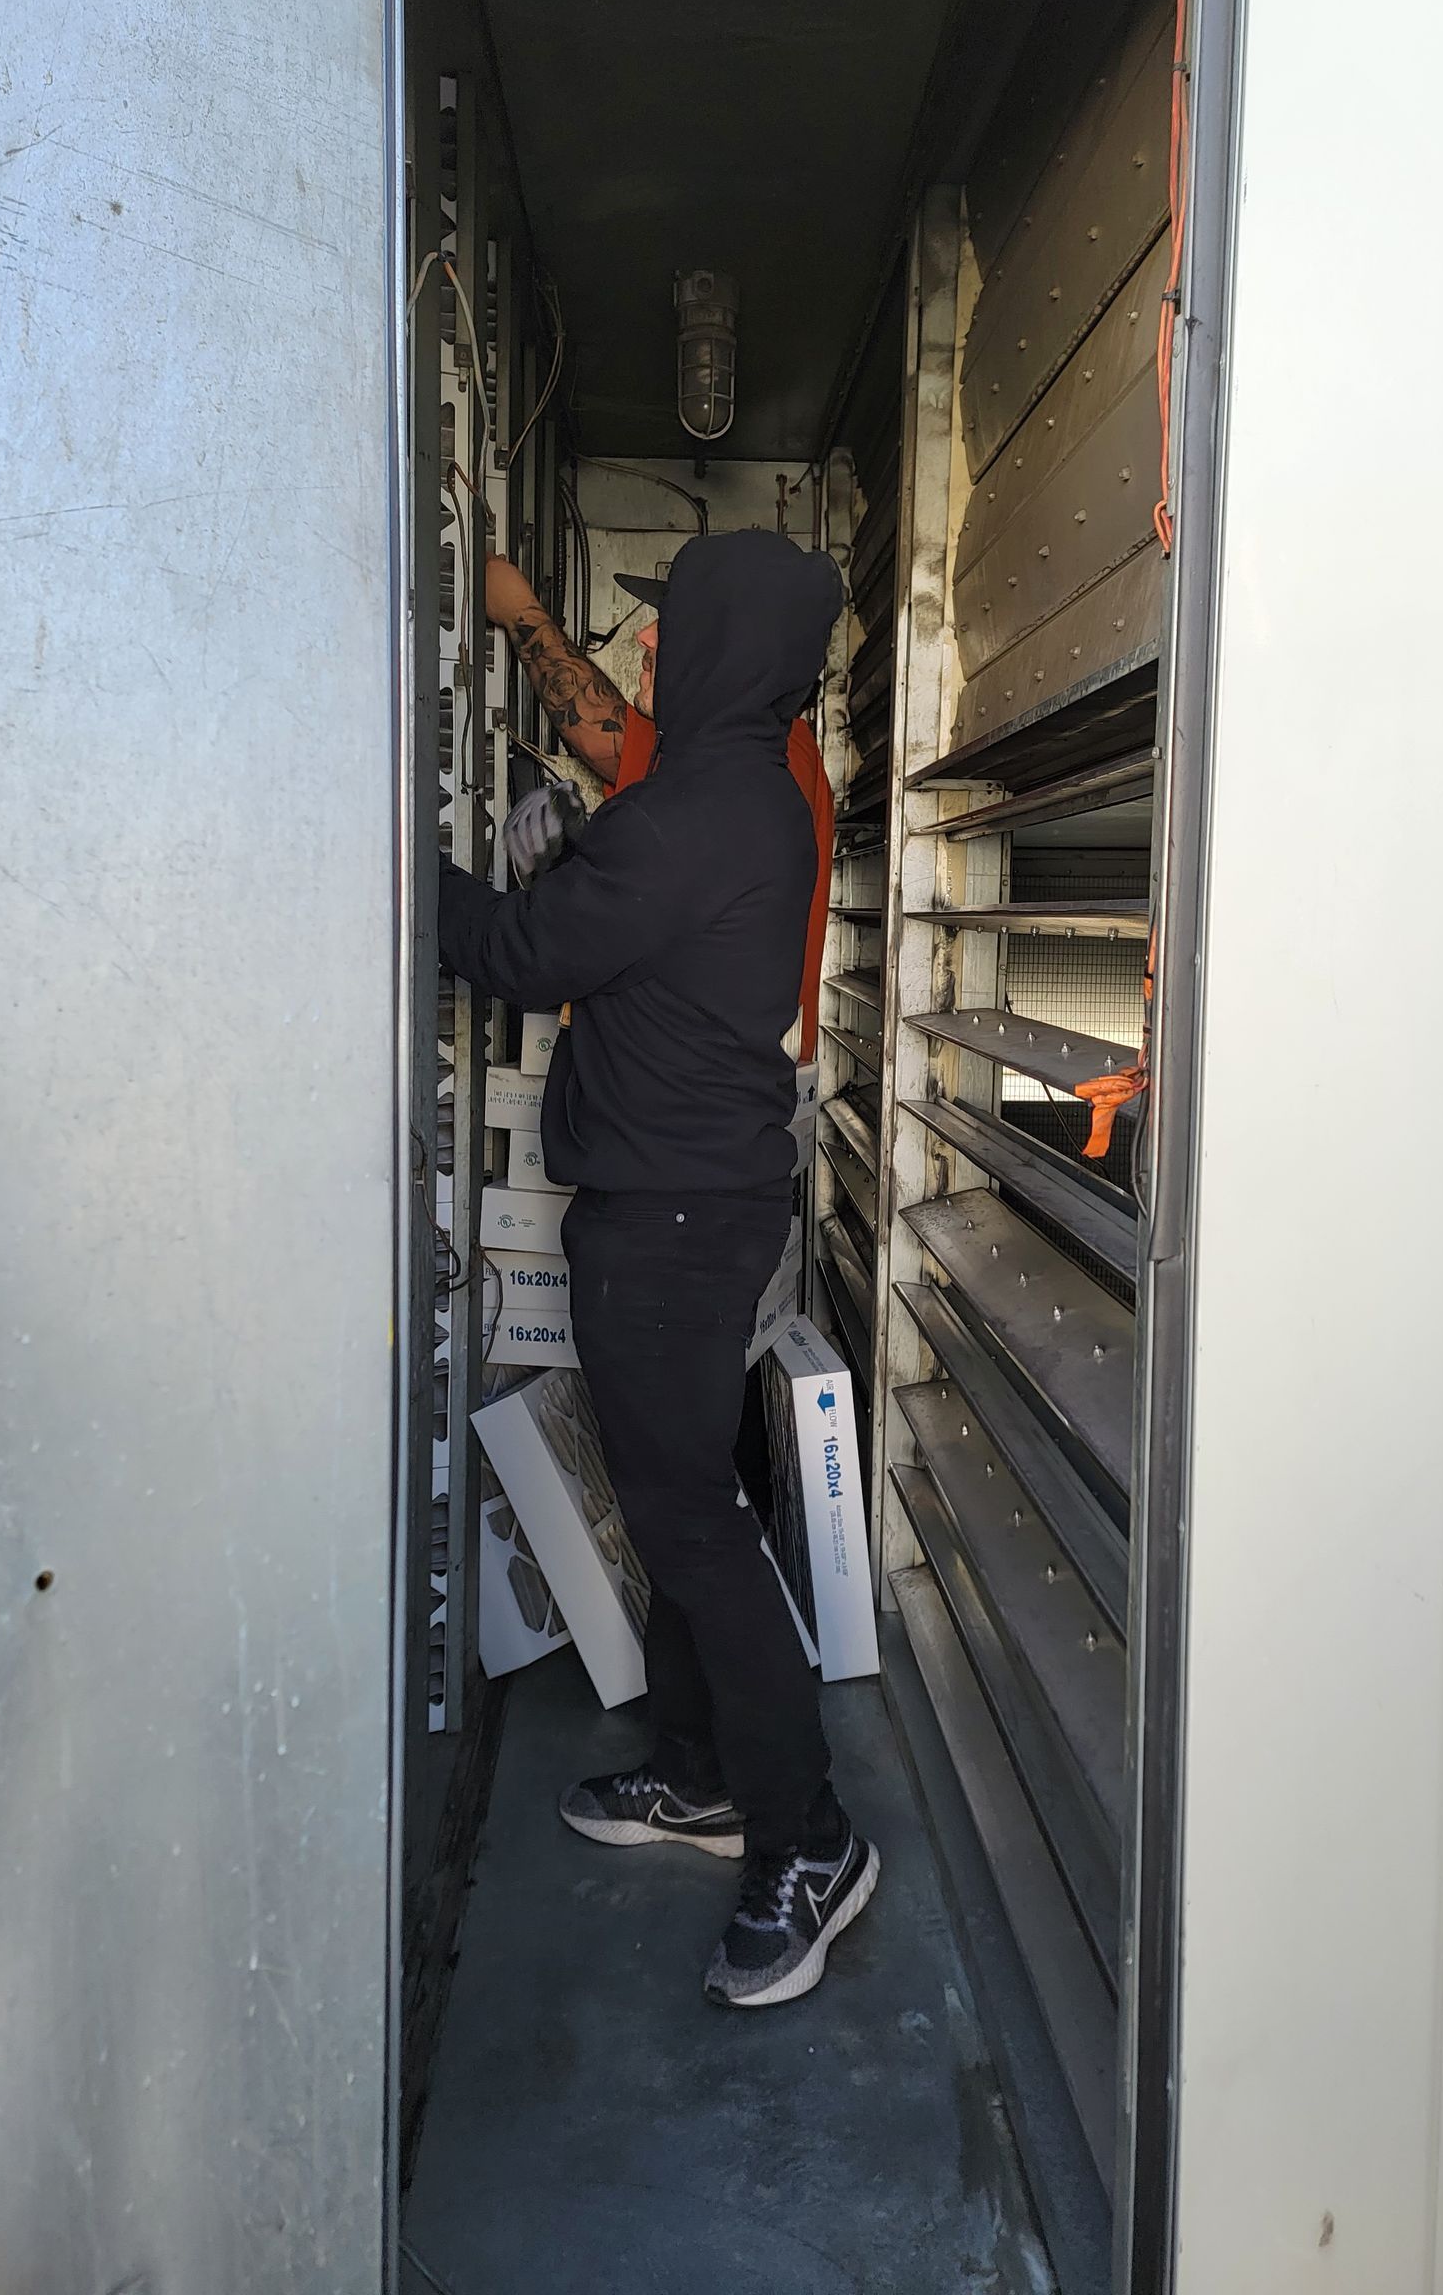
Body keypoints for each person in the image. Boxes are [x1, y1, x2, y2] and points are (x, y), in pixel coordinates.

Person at [437, 529, 878, 2010]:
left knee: (692, 1524)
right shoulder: (748, 797)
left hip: (671, 1226)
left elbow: (515, 951)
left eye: (670, 630)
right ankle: (703, 1776)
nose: (649, 651)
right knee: (687, 1504)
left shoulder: (693, 813)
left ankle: (810, 1838)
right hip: (694, 1211)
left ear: (722, 650)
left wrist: (406, 861)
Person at [483, 550, 833, 1059]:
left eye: (671, 623)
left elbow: (601, 732)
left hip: (702, 1085)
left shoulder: (761, 766)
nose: (644, 636)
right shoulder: (739, 758)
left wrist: (519, 609)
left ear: (721, 651)